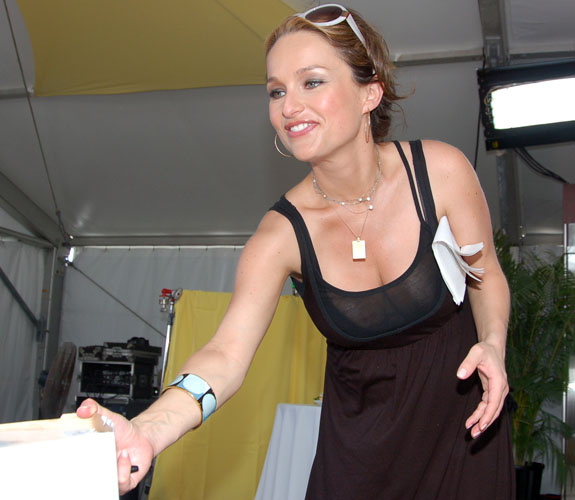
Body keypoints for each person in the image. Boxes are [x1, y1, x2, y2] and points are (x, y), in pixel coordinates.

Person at [77, 4, 515, 498]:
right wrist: (150, 430)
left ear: (369, 92)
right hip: (359, 462)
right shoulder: (279, 235)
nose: (288, 106)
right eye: (277, 91)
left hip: (467, 436)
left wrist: (493, 345)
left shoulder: (441, 172)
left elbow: (488, 277)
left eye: (312, 82)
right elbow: (224, 355)